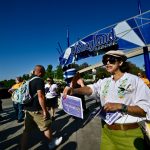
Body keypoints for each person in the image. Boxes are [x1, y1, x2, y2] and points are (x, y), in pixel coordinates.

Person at [63, 50, 150, 150]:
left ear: (120, 62)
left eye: (112, 60)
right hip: (106, 131)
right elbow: (91, 89)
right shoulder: (104, 82)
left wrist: (121, 106)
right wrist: (74, 90)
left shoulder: (135, 80)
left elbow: (146, 109)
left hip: (129, 134)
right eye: (105, 61)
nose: (107, 63)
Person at [20, 65, 62, 150]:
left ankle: (22, 148)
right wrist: (45, 111)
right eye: (44, 71)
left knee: (26, 131)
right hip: (36, 109)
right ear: (40, 72)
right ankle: (51, 143)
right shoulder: (39, 80)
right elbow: (41, 96)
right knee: (46, 126)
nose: (44, 73)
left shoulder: (28, 80)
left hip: (27, 110)